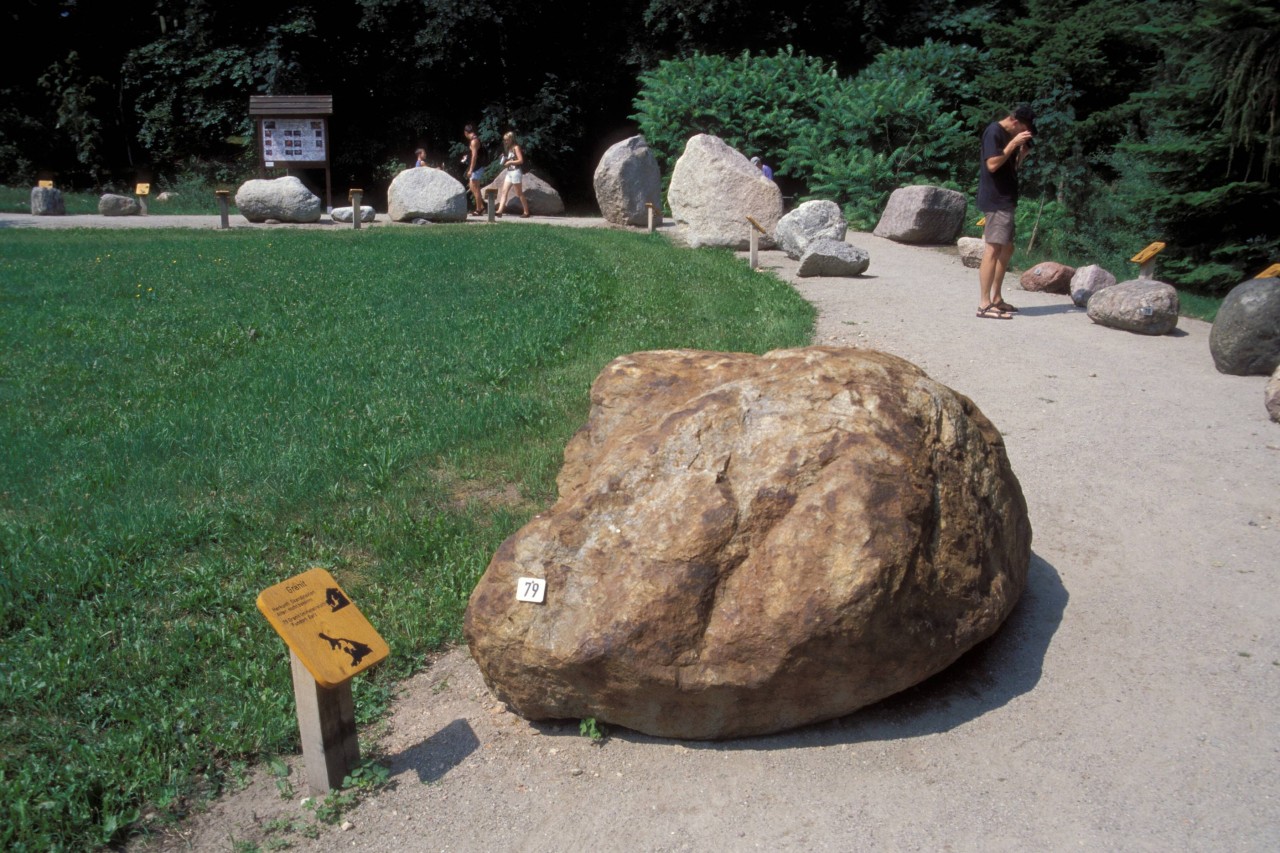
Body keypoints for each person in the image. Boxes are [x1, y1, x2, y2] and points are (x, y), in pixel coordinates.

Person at [976, 104, 1035, 319]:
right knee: (992, 249)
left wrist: (1022, 154)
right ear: (1015, 121)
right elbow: (992, 165)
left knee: (1007, 249)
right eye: (1023, 129)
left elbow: (1008, 168)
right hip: (996, 199)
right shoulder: (994, 132)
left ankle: (997, 298)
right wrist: (1012, 145)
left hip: (1007, 198)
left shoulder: (1011, 138)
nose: (1023, 133)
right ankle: (984, 304)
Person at [495, 131, 530, 218]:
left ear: (511, 139)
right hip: (509, 172)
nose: (505, 141)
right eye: (504, 140)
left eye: (507, 140)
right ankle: (499, 211)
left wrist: (510, 162)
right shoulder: (509, 148)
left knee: (519, 193)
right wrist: (504, 159)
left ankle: (526, 212)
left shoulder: (516, 148)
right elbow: (510, 159)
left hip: (516, 172)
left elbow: (520, 160)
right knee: (504, 191)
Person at [460, 124, 486, 215]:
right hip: (476, 167)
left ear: (466, 133)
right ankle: (481, 206)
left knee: (475, 187)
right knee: (473, 187)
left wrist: (470, 170)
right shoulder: (475, 139)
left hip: (477, 167)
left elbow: (474, 156)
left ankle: (479, 209)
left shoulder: (474, 141)